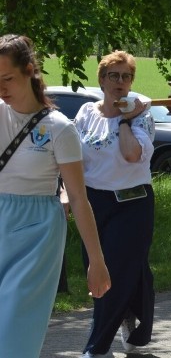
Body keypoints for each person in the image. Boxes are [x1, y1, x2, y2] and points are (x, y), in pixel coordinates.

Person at [0, 34, 110, 357]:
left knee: (15, 332)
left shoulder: (60, 128)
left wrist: (97, 260)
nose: (1, 88)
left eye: (7, 79)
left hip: (37, 233)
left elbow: (78, 197)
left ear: (29, 71)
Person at [75, 50, 156, 356]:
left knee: (118, 270)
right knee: (96, 267)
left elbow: (132, 155)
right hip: (94, 201)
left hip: (133, 202)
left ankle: (98, 345)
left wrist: (124, 120)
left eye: (126, 76)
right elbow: (75, 159)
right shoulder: (86, 114)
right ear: (102, 79)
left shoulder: (140, 114)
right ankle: (130, 319)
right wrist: (68, 193)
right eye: (114, 75)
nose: (120, 82)